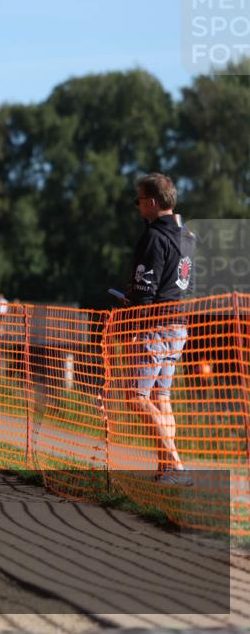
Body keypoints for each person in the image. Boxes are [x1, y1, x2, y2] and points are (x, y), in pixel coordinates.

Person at [125, 173, 196, 486]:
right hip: (178, 324)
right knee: (161, 397)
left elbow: (145, 287)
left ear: (152, 202)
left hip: (154, 325)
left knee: (136, 395)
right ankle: (166, 467)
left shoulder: (154, 237)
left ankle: (175, 464)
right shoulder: (188, 236)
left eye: (139, 200)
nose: (138, 206)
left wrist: (133, 326)